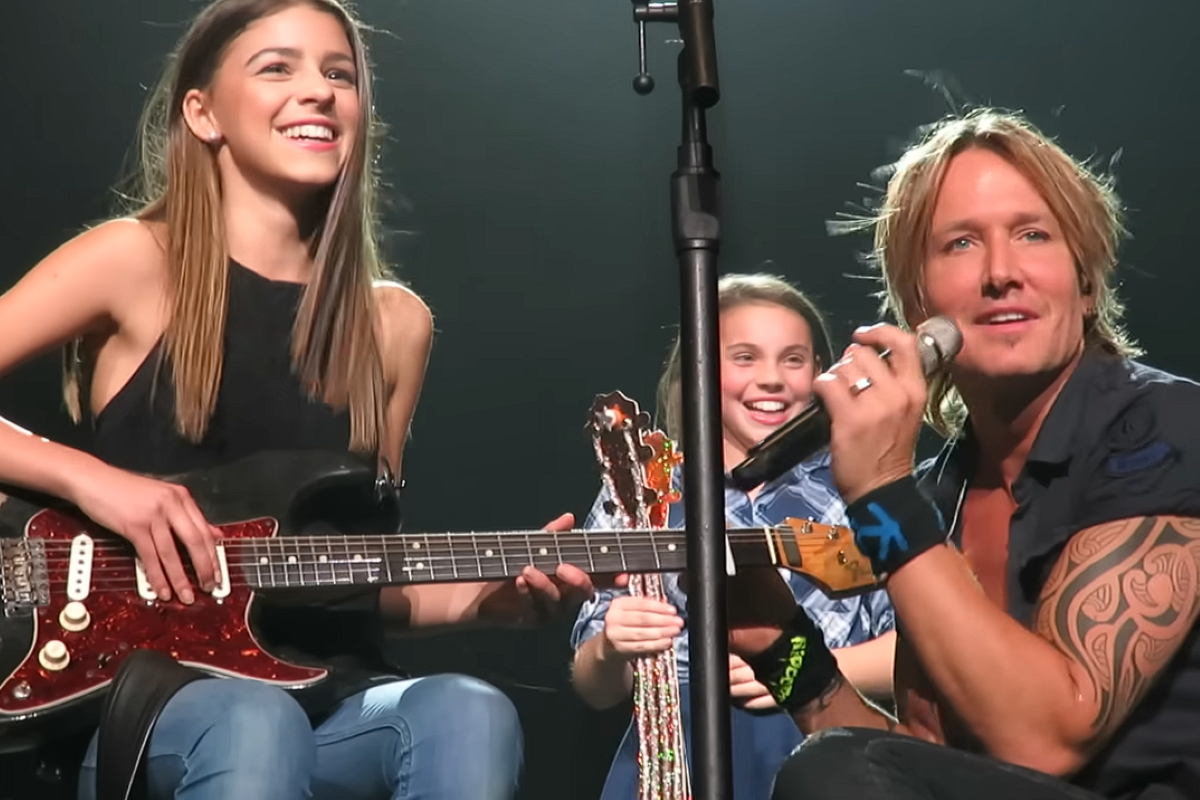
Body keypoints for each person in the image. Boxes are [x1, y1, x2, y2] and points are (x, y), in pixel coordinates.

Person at [0, 2, 594, 798]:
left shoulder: (393, 325)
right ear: (203, 113)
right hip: (140, 693)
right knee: (253, 720)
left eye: (338, 74)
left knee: (468, 709)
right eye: (277, 67)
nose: (317, 90)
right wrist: (91, 479)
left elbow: (349, 576)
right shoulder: (133, 261)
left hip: (324, 694)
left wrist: (487, 603)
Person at [721, 108, 1200, 800]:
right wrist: (783, 647)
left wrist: (882, 493)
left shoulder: (1163, 427)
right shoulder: (939, 491)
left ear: (1086, 280)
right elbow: (917, 767)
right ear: (919, 303)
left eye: (1033, 234)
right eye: (961, 245)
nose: (1001, 273)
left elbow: (1046, 740)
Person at [571, 273, 897, 799]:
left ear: (819, 373)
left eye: (793, 360)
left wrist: (800, 670)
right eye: (744, 358)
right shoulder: (642, 494)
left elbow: (922, 644)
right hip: (671, 750)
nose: (771, 378)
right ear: (697, 371)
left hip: (821, 736)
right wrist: (612, 647)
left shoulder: (859, 486)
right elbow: (595, 685)